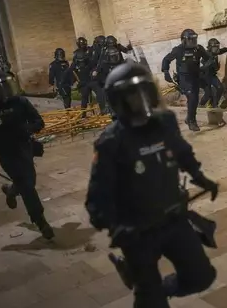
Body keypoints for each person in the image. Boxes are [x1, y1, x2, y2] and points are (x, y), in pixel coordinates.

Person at [86, 61, 218, 307]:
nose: (141, 100)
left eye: (144, 91)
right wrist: (114, 226)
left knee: (201, 277)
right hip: (138, 232)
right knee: (150, 299)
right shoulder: (111, 141)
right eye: (132, 95)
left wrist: (200, 178)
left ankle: (160, 287)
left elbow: (181, 152)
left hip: (174, 219)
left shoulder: (164, 122)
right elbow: (97, 196)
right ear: (118, 100)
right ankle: (148, 288)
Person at [0, 70, 54, 240]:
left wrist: (26, 129)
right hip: (5, 151)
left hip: (24, 147)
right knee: (26, 185)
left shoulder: (20, 102)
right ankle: (40, 220)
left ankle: (11, 191)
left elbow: (38, 122)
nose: (3, 93)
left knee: (29, 181)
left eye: (5, 87)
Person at [161, 29, 211, 131]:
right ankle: (192, 121)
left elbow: (209, 59)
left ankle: (189, 117)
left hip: (196, 77)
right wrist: (166, 72)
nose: (193, 42)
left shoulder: (198, 49)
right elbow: (166, 59)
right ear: (184, 40)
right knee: (192, 97)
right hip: (184, 79)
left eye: (194, 39)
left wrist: (205, 67)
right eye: (190, 40)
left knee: (197, 97)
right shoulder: (178, 50)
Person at [65, 39, 107, 116]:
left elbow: (95, 64)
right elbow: (69, 72)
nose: (82, 63)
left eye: (83, 61)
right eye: (80, 61)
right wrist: (71, 82)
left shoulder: (89, 61)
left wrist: (95, 71)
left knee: (100, 93)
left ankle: (103, 109)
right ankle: (83, 114)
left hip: (91, 80)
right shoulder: (74, 64)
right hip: (83, 83)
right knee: (84, 97)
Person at [199, 39, 227, 109]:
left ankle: (214, 104)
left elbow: (221, 51)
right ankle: (200, 105)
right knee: (208, 94)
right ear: (210, 47)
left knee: (220, 88)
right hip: (205, 76)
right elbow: (202, 64)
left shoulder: (215, 52)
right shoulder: (206, 54)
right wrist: (208, 64)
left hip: (212, 76)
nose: (217, 49)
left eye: (218, 46)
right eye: (215, 47)